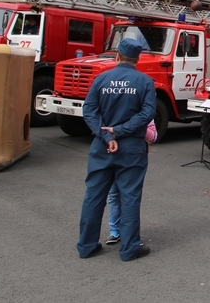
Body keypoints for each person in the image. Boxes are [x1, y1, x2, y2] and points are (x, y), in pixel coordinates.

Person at [76, 38, 156, 261]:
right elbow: (147, 113)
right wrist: (120, 131)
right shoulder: (145, 81)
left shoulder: (101, 79)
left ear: (117, 56)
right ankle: (130, 248)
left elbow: (89, 110)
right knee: (129, 196)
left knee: (93, 196)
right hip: (131, 147)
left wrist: (106, 134)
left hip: (101, 146)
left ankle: (86, 245)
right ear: (138, 59)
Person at [105, 120, 158, 246]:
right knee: (114, 194)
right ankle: (115, 230)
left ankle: (130, 234)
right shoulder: (112, 108)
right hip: (112, 155)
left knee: (130, 196)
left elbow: (153, 135)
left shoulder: (142, 111)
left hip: (133, 156)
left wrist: (135, 127)